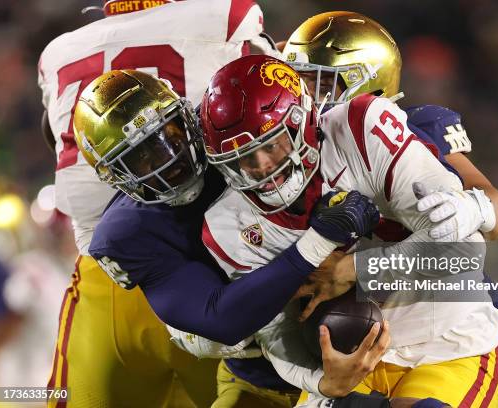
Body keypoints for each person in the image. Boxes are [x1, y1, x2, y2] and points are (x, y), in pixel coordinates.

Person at [193, 54, 498, 407]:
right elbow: (274, 330)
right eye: (242, 158)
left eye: (270, 144)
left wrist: (354, 271)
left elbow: (464, 248)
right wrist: (322, 382)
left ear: (301, 121)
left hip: (444, 339)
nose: (261, 167)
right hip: (346, 362)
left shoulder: (361, 128)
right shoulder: (226, 223)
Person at [74, 69, 381, 408]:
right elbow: (221, 318)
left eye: (169, 135)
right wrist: (319, 243)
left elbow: (446, 261)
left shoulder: (234, 131)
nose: (167, 158)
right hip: (263, 373)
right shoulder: (129, 233)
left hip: (381, 335)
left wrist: (357, 266)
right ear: (117, 177)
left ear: (188, 117)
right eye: (140, 157)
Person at [281, 12, 498, 407]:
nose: (305, 97)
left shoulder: (414, 134)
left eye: (320, 83)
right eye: (298, 81)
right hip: (353, 347)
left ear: (369, 82)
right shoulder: (282, 160)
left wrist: (474, 210)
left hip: (442, 341)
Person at [38, 0, 281, 405]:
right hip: (215, 267)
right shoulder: (228, 15)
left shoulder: (57, 53)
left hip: (107, 282)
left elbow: (56, 136)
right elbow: (276, 98)